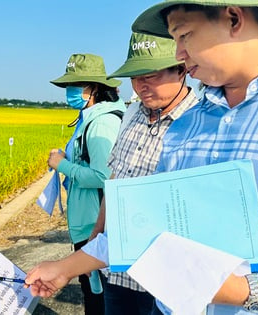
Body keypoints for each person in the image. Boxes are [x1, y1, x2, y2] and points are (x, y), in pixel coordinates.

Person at [26, 1, 258, 314]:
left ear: (234, 17)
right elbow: (147, 231)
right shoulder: (189, 123)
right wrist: (64, 268)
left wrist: (246, 290)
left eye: (185, 35)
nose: (179, 53)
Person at [86, 32, 198, 315]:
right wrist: (97, 232)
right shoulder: (132, 113)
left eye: (151, 75)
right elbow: (116, 179)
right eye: (136, 77)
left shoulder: (199, 122)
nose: (141, 85)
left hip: (165, 277)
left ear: (181, 69)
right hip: (119, 267)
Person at [48, 53, 125, 315]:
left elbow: (104, 176)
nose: (69, 91)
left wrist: (63, 165)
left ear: (93, 88)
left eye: (75, 85)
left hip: (96, 226)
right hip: (90, 223)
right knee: (95, 296)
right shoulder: (90, 116)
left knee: (98, 301)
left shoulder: (102, 122)